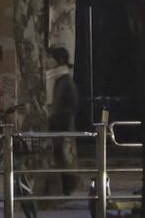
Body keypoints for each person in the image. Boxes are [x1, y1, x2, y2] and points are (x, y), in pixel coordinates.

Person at [46, 45, 79, 193]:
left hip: (59, 124)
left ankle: (68, 183)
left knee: (59, 155)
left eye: (50, 57)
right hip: (57, 122)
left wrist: (54, 118)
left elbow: (70, 104)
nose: (47, 61)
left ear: (58, 60)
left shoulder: (64, 81)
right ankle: (67, 183)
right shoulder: (57, 79)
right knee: (58, 155)